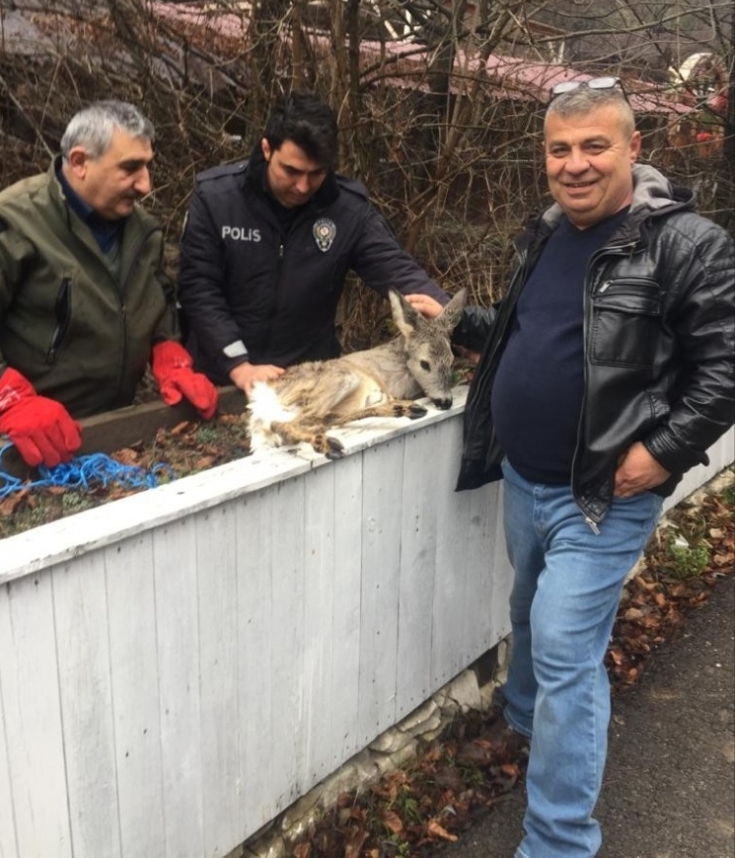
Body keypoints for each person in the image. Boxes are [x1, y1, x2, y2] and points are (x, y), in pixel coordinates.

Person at [407, 78, 735, 858]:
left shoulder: (685, 244)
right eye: (560, 148)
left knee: (561, 643)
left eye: (595, 146)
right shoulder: (545, 235)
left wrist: (662, 452)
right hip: (524, 477)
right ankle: (526, 720)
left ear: (633, 148)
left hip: (603, 494)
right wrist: (456, 322)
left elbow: (724, 368)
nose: (576, 164)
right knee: (526, 608)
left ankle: (558, 839)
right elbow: (533, 331)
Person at [0, 100, 218, 469]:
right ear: (80, 162)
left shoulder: (142, 230)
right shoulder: (14, 221)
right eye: (131, 168)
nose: (146, 184)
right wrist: (8, 398)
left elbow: (155, 296)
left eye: (147, 166)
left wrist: (167, 350)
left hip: (111, 429)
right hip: (22, 441)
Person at [178, 91, 448, 395]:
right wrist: (239, 365)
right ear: (267, 149)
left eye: (317, 173)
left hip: (308, 383)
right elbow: (199, 289)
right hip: (220, 380)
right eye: (291, 171)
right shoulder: (217, 199)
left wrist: (458, 326)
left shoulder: (348, 210)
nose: (303, 186)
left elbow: (400, 273)